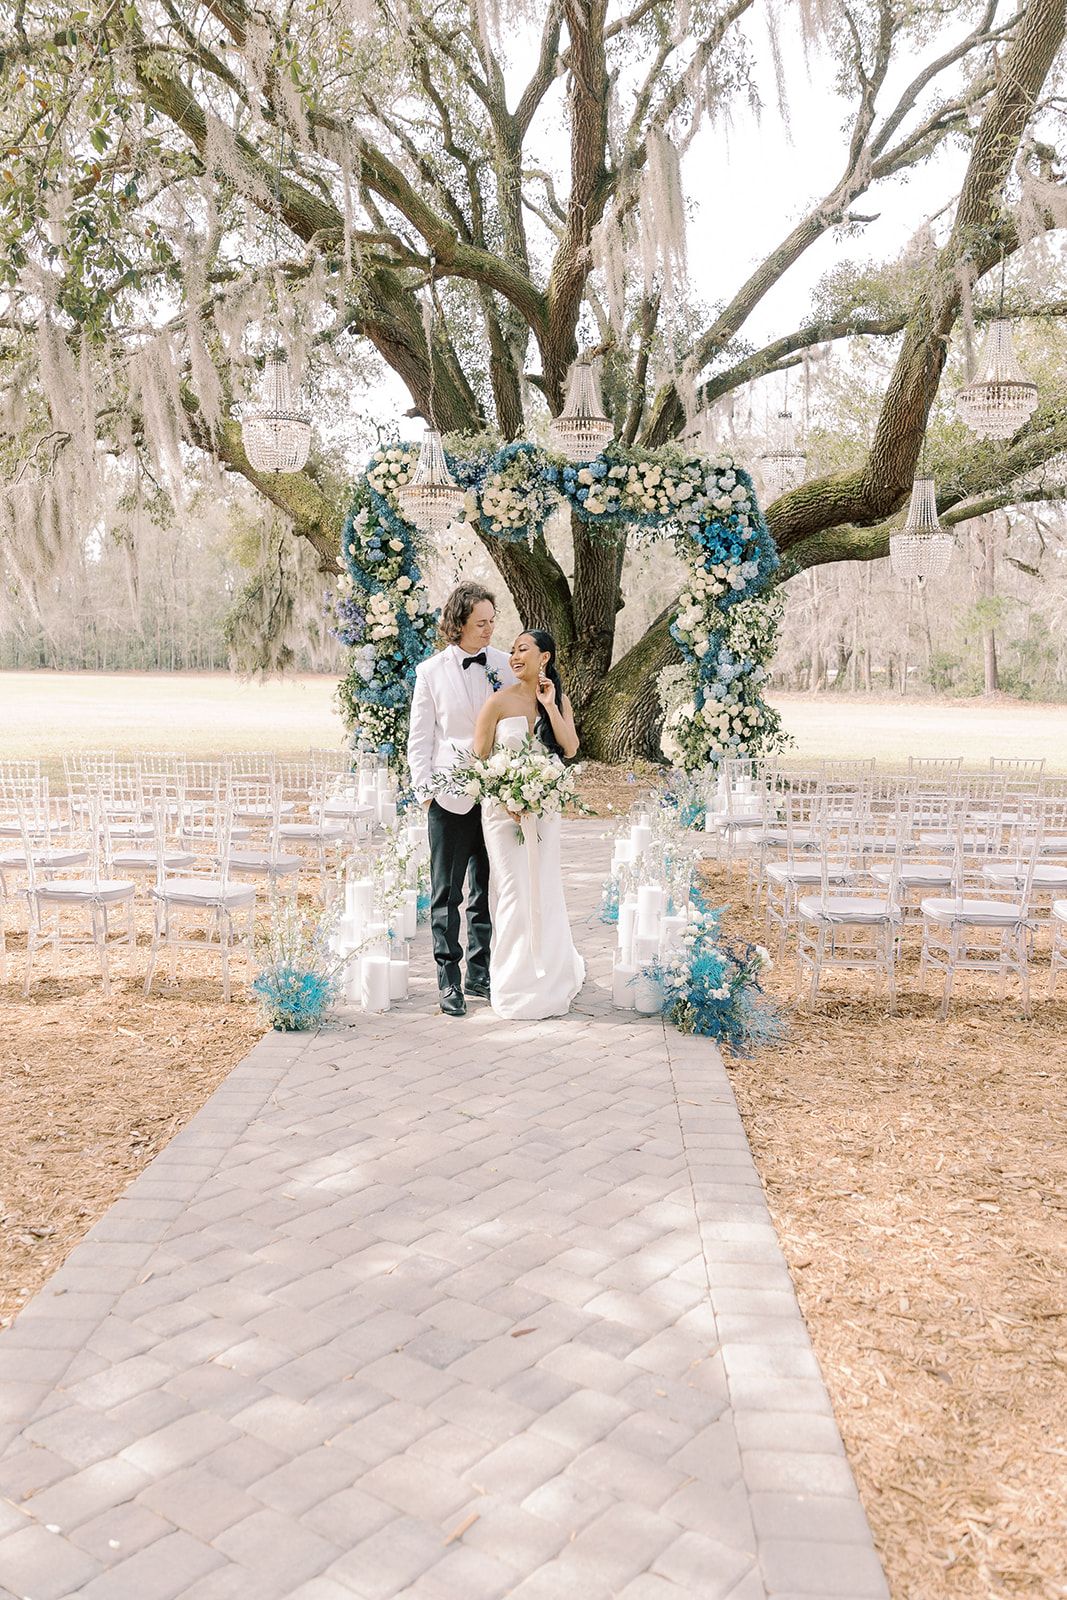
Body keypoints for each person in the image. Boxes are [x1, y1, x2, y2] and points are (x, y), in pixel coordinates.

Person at [407, 583, 516, 1017]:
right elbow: (420, 739)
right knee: (446, 892)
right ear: (459, 625)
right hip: (448, 799)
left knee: (485, 890)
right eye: (481, 623)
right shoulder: (429, 672)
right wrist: (426, 795)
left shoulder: (507, 665)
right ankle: (447, 979)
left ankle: (479, 972)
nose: (490, 629)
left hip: (494, 796)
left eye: (493, 621)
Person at [471, 630, 585, 1020]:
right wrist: (508, 799)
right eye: (513, 650)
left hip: (546, 812)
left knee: (544, 888)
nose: (515, 656)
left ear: (545, 658)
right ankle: (513, 982)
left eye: (524, 650)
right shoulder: (497, 701)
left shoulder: (559, 700)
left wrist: (550, 706)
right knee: (515, 891)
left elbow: (568, 748)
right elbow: (480, 760)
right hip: (503, 816)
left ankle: (549, 980)